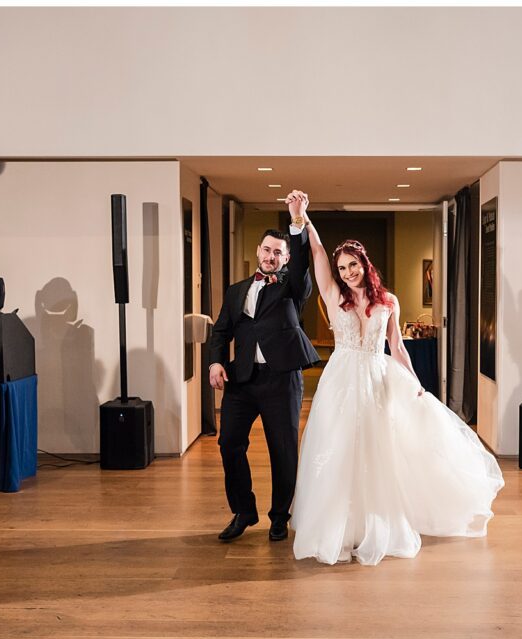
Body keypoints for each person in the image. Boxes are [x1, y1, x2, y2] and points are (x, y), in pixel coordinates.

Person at [287, 189, 504, 566]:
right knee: (339, 449)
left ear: (364, 263)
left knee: (377, 451)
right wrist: (302, 216)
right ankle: (340, 527)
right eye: (342, 268)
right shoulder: (334, 296)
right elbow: (317, 252)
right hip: (341, 382)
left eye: (352, 265)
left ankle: (375, 523)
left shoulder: (388, 301)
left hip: (375, 379)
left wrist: (416, 383)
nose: (347, 272)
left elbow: (398, 347)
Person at [208, 220, 320, 542]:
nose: (271, 256)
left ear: (286, 258)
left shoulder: (292, 286)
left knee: (283, 451)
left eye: (278, 253)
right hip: (242, 380)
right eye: (267, 250)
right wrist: (215, 362)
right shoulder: (236, 291)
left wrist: (298, 224)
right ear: (258, 251)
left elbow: (300, 270)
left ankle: (280, 517)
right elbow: (221, 331)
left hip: (282, 379)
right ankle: (243, 511)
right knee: (229, 443)